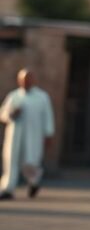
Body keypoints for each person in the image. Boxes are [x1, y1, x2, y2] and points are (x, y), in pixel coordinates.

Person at [0, 69, 54, 200]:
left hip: (33, 136)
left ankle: (33, 183)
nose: (26, 82)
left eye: (28, 79)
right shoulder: (13, 96)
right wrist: (11, 114)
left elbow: (48, 117)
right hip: (15, 135)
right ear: (19, 81)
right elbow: (3, 114)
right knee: (11, 161)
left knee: (30, 162)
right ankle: (7, 188)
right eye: (23, 80)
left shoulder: (42, 97)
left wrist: (49, 134)